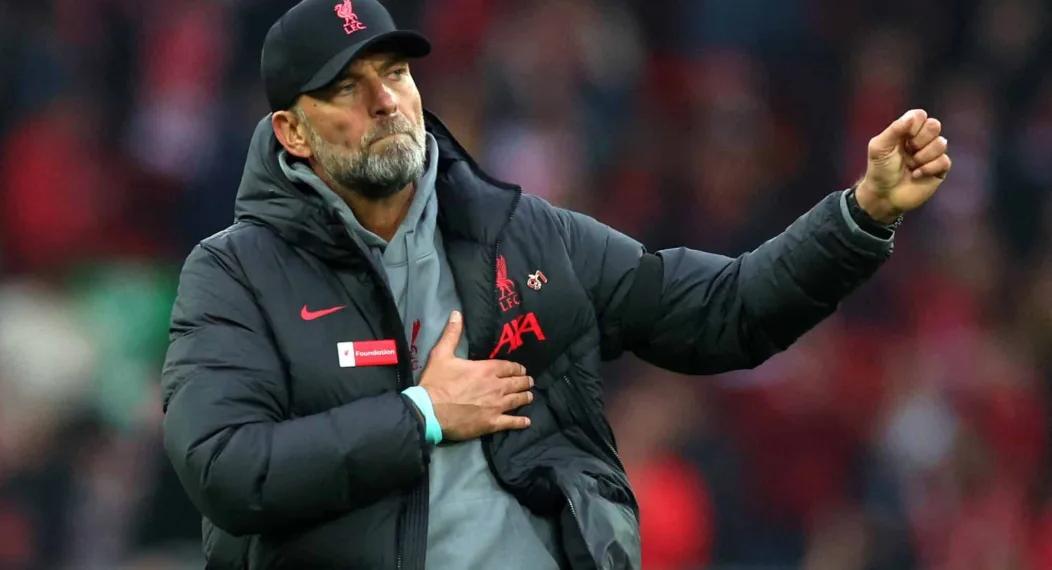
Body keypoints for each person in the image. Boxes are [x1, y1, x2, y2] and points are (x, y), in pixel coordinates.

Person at [159, 1, 952, 568]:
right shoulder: (235, 273)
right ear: (290, 132)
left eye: (394, 71)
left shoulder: (525, 233)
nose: (385, 101)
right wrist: (423, 417)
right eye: (344, 88)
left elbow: (724, 312)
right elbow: (230, 473)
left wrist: (863, 213)